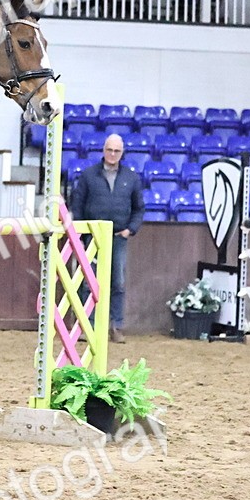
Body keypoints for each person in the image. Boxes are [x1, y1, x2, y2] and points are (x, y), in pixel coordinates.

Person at [69, 133, 145, 344]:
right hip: (92, 238)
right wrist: (83, 233)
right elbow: (77, 205)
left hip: (118, 237)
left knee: (118, 283)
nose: (112, 154)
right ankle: (87, 326)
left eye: (116, 151)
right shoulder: (88, 176)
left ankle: (116, 326)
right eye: (109, 150)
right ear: (103, 150)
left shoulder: (131, 178)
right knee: (88, 283)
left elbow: (139, 208)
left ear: (122, 153)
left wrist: (131, 229)